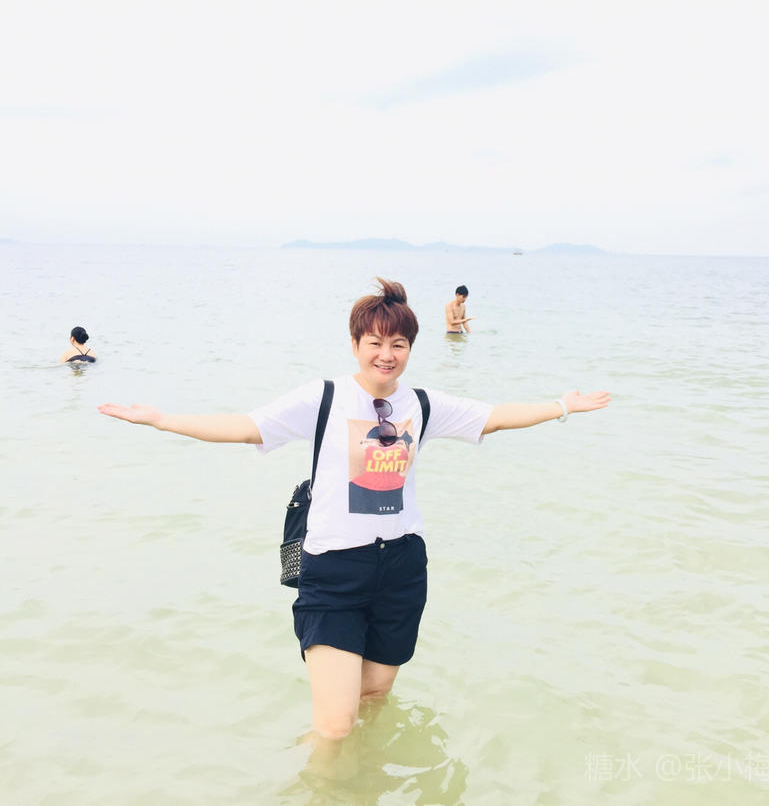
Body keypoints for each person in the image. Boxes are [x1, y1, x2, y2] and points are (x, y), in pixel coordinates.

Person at [97, 278, 610, 746]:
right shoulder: (324, 398)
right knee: (335, 725)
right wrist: (162, 420)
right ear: (355, 344)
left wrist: (561, 406)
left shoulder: (421, 405)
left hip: (401, 569)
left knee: (374, 699)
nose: (386, 355)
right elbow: (247, 427)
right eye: (375, 343)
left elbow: (493, 417)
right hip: (333, 572)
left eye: (398, 344)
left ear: (410, 349)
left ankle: (363, 785)